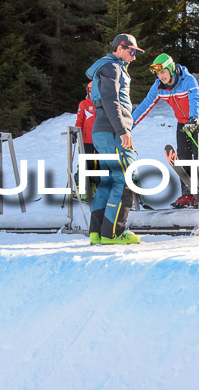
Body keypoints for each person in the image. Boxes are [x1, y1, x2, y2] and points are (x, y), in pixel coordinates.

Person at [132, 53, 199, 208]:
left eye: (162, 72)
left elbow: (196, 99)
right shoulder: (158, 86)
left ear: (171, 69)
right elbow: (145, 105)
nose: (160, 76)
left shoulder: (188, 80)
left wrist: (194, 118)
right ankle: (188, 193)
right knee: (183, 155)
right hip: (183, 121)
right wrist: (130, 124)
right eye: (157, 73)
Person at [84, 33, 143, 245]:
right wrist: (123, 131)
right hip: (112, 131)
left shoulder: (108, 68)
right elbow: (111, 100)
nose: (134, 56)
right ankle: (114, 233)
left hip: (103, 131)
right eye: (131, 51)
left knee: (108, 180)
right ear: (119, 48)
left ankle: (98, 232)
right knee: (125, 179)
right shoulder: (111, 67)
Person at [73, 81, 98, 198]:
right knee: (86, 163)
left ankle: (96, 188)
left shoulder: (104, 104)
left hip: (100, 140)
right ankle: (82, 188)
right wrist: (75, 133)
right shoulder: (83, 104)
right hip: (86, 140)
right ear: (88, 91)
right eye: (91, 90)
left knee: (99, 164)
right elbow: (79, 121)